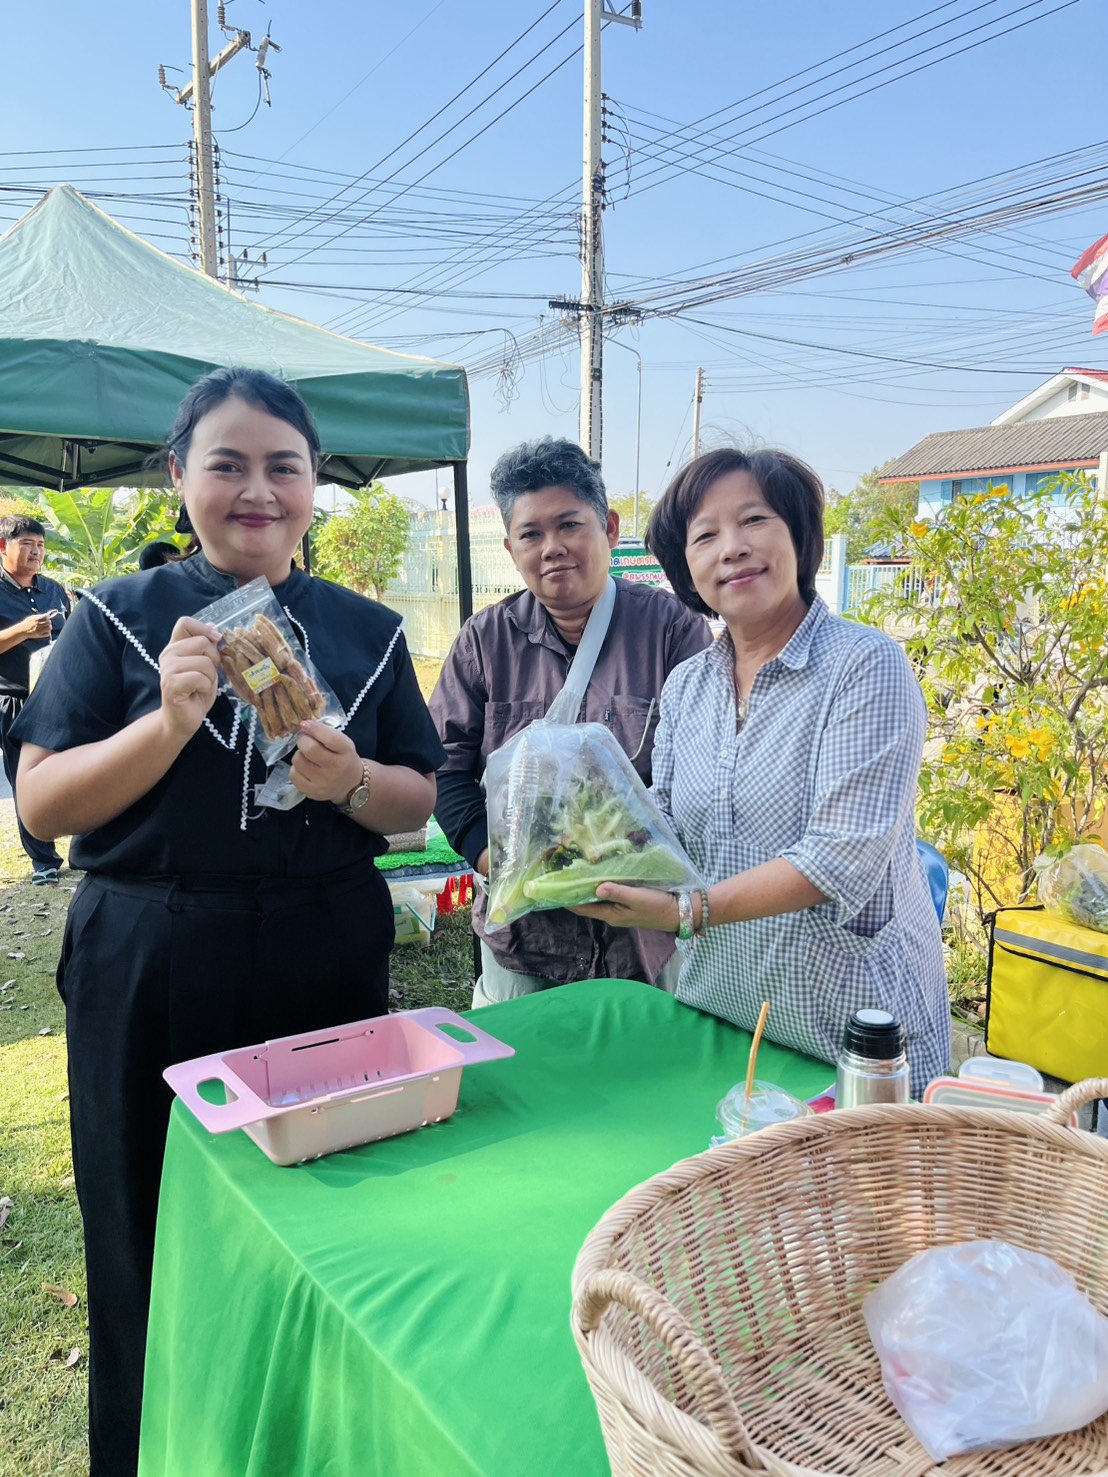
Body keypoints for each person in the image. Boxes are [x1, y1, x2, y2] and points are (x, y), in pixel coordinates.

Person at [12, 368, 444, 1477]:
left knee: (325, 1221)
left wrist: (351, 780)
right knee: (144, 1223)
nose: (258, 490)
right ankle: (146, 1452)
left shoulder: (369, 632)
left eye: (283, 467)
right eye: (228, 464)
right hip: (151, 952)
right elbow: (42, 804)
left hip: (323, 951)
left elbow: (415, 801)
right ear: (178, 475)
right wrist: (166, 723)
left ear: (313, 486)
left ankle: (308, 1446)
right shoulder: (117, 615)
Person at [573, 447, 951, 1095]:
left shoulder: (864, 665)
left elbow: (840, 856)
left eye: (754, 520)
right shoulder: (688, 684)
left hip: (852, 1041)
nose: (733, 548)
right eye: (706, 535)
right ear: (686, 567)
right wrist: (585, 849)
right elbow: (667, 822)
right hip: (724, 1018)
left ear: (798, 536)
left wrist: (685, 911)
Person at [430, 436, 711, 1005]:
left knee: (645, 1058)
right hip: (523, 939)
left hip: (644, 938)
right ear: (511, 549)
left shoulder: (672, 631)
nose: (552, 547)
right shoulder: (485, 642)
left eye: (569, 525)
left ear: (609, 528)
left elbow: (702, 773)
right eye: (531, 534)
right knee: (522, 1059)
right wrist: (500, 864)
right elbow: (443, 767)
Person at [0, 513, 70, 882]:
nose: (36, 552)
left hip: (58, 696)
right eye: (27, 544)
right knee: (25, 779)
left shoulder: (53, 589)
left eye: (40, 545)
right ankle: (45, 862)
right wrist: (22, 632)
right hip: (14, 699)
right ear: (3, 547)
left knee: (72, 770)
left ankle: (84, 847)